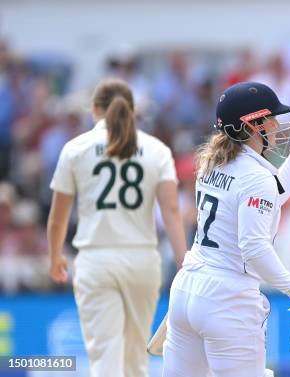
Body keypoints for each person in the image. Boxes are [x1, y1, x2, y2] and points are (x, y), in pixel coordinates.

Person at [162, 82, 290, 377]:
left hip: (187, 288)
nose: (277, 125)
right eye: (271, 118)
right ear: (252, 125)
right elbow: (254, 248)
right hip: (227, 299)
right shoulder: (254, 176)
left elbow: (269, 196)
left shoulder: (213, 162)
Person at [47, 78, 188, 377]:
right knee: (137, 359)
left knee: (105, 359)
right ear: (134, 111)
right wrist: (183, 262)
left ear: (94, 109)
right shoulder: (156, 149)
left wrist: (55, 256)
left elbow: (58, 216)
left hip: (96, 259)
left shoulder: (76, 148)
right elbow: (171, 210)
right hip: (142, 260)